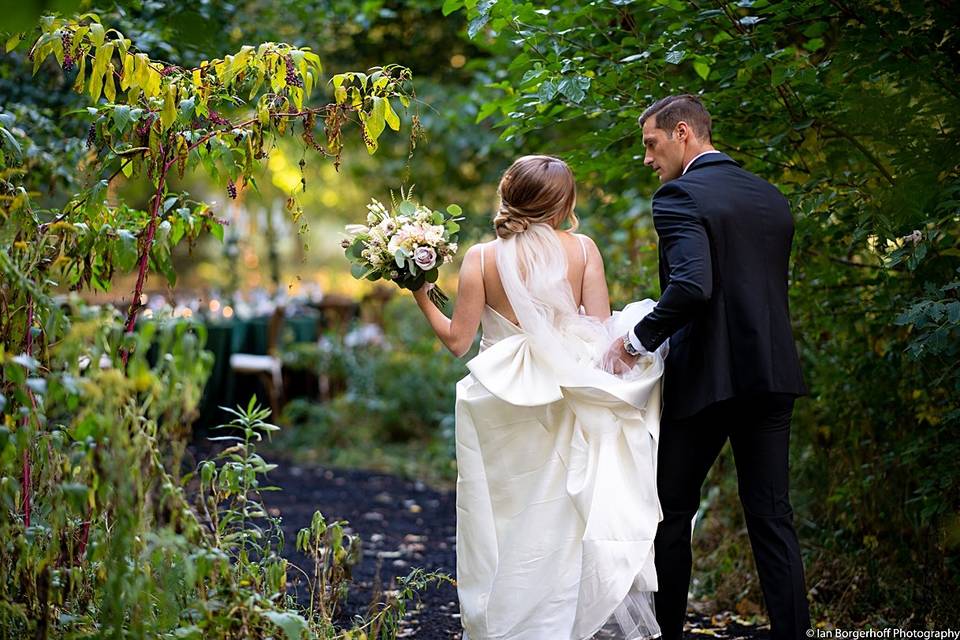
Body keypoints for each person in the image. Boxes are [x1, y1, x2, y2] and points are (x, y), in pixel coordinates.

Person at [412, 155, 665, 640]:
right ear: (563, 202)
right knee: (562, 515)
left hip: (502, 400)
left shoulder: (481, 258)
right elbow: (599, 328)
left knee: (505, 515)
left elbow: (457, 341)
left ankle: (508, 621)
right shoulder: (585, 250)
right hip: (568, 393)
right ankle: (562, 623)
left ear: (510, 195)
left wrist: (422, 292)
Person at [606, 94, 811, 640]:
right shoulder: (769, 196)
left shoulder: (679, 196)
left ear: (682, 134)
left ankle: (666, 634)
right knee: (772, 517)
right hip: (771, 377)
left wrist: (636, 342)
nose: (648, 159)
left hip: (708, 382)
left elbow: (693, 287)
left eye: (651, 145)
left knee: (669, 513)